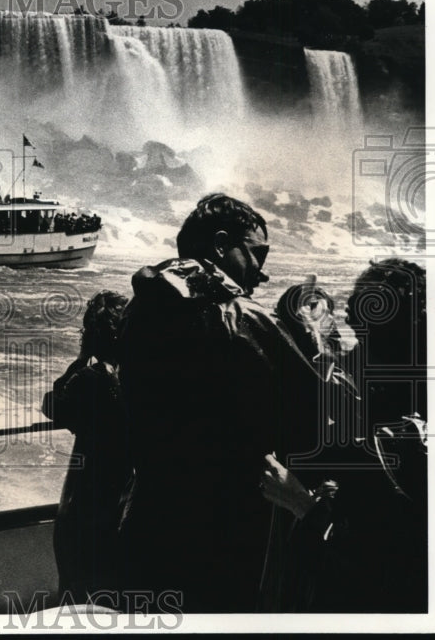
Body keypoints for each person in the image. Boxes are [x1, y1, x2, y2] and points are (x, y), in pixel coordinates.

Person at [116, 193, 322, 612]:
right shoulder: (244, 319)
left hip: (148, 521)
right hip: (223, 537)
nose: (261, 274)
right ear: (221, 244)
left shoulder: (141, 310)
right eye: (256, 254)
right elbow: (314, 422)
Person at [260, 258, 427, 612]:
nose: (350, 325)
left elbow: (383, 567)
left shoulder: (408, 443)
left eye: (362, 325)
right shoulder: (400, 387)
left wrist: (304, 506)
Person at [41, 290, 131, 604]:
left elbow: (51, 404)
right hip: (123, 500)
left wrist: (81, 358)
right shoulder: (138, 381)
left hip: (83, 503)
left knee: (77, 592)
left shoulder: (89, 380)